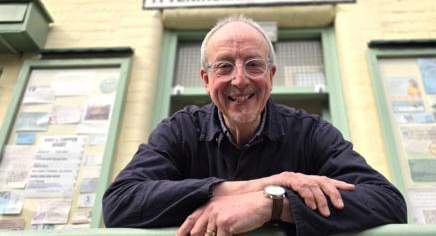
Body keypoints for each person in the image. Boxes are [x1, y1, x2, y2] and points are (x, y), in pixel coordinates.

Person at [102, 15, 407, 236]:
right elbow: (120, 203)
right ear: (206, 79)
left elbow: (386, 201)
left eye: (254, 64)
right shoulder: (179, 130)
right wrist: (267, 184)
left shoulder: (311, 132)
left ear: (271, 76)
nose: (239, 79)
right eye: (223, 66)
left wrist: (272, 205)